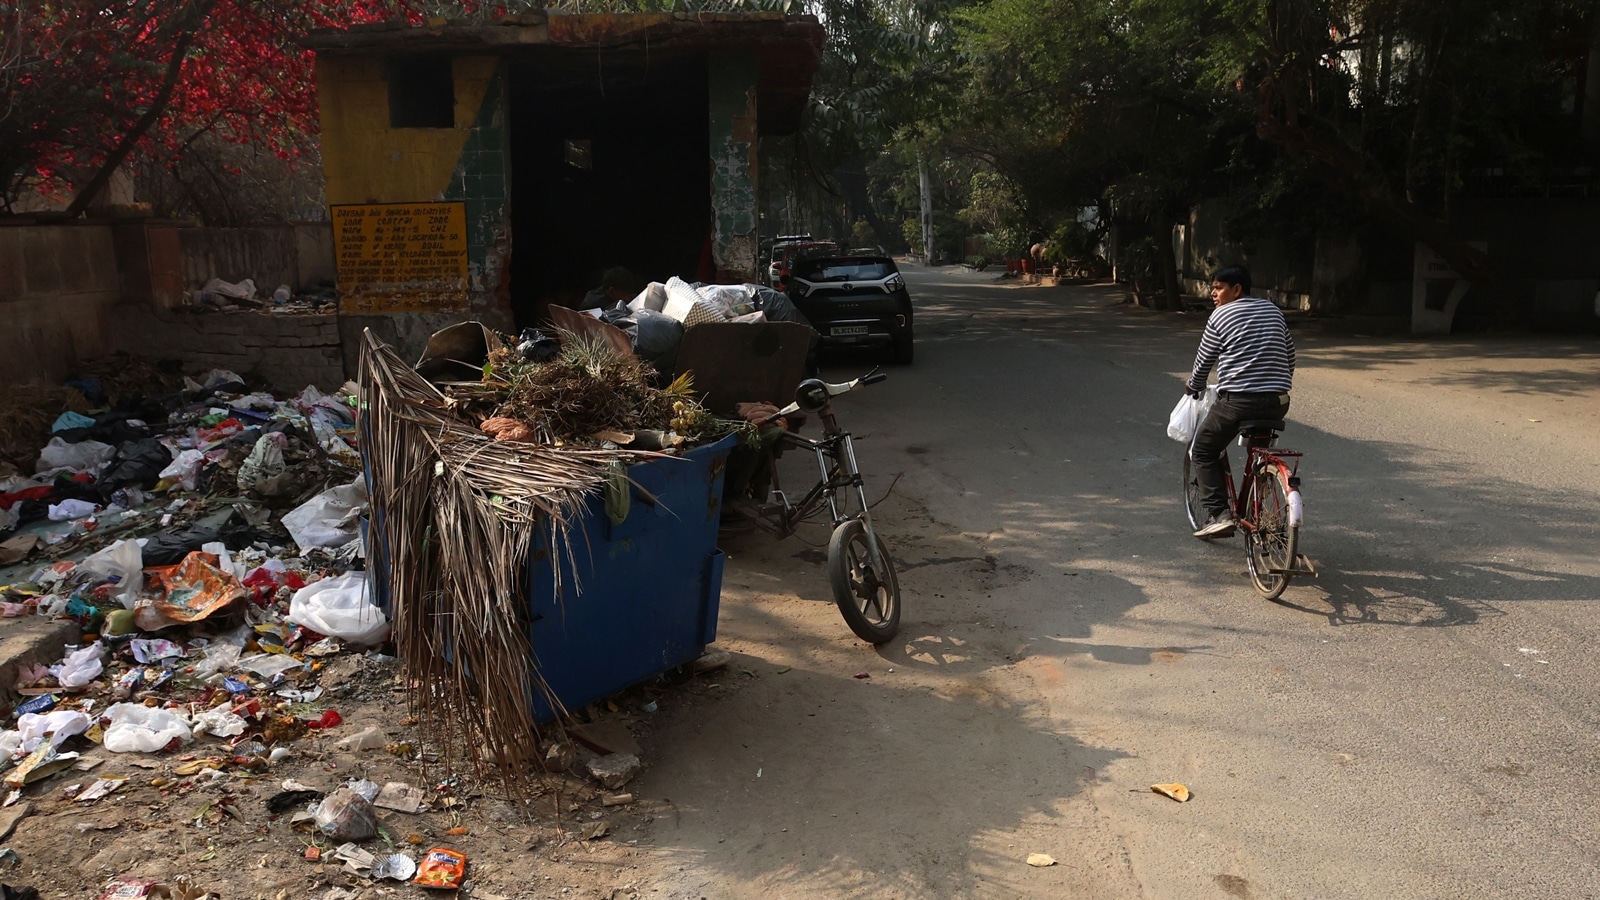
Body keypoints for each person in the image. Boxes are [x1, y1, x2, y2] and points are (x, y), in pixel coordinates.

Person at [1185, 265, 1296, 538]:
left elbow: (1204, 362)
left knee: (1203, 450)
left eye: (1219, 287)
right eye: (1212, 288)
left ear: (1237, 289)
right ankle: (1262, 488)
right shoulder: (1273, 310)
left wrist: (1193, 387)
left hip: (1239, 402)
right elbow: (1290, 356)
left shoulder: (1220, 315)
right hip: (1278, 400)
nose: (1213, 293)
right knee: (1257, 451)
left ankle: (1219, 514)